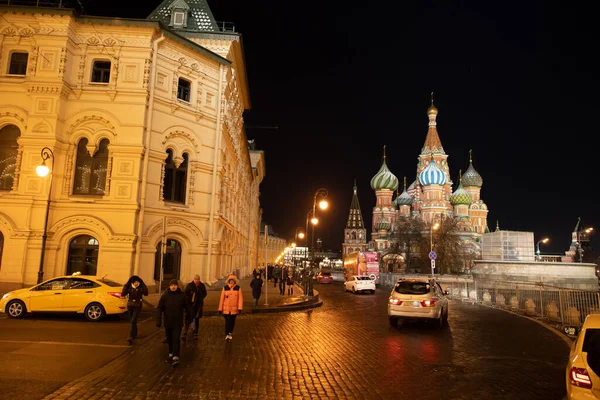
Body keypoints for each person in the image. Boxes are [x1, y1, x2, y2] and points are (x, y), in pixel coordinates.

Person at [156, 279, 193, 367]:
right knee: (169, 338)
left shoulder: (182, 296)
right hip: (168, 321)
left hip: (178, 322)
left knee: (176, 338)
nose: (173, 287)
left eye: (175, 285)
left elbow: (187, 307)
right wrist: (158, 320)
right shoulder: (165, 296)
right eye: (172, 285)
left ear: (177, 286)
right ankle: (171, 353)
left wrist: (189, 317)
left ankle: (176, 356)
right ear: (169, 286)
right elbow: (159, 308)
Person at [121, 275, 148, 345]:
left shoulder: (140, 288)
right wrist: (127, 285)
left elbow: (146, 293)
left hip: (137, 305)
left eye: (137, 282)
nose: (136, 283)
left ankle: (131, 336)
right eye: (135, 282)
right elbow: (123, 293)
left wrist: (142, 283)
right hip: (130, 305)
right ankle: (134, 333)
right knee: (132, 321)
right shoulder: (129, 287)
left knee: (133, 320)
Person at [217, 275, 243, 341]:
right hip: (226, 309)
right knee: (227, 322)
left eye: (233, 281)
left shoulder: (238, 288)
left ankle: (230, 333)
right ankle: (227, 334)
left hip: (234, 309)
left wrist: (240, 308)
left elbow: (240, 299)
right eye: (230, 281)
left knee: (232, 322)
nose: (231, 282)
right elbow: (222, 299)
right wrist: (220, 308)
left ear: (234, 281)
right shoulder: (225, 288)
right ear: (229, 281)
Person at [182, 274, 207, 341]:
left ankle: (195, 332)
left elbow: (204, 293)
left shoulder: (201, 286)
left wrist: (200, 298)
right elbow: (186, 294)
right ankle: (185, 332)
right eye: (195, 279)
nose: (196, 281)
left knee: (196, 319)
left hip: (197, 305)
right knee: (187, 319)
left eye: (198, 279)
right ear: (193, 279)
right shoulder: (190, 285)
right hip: (190, 305)